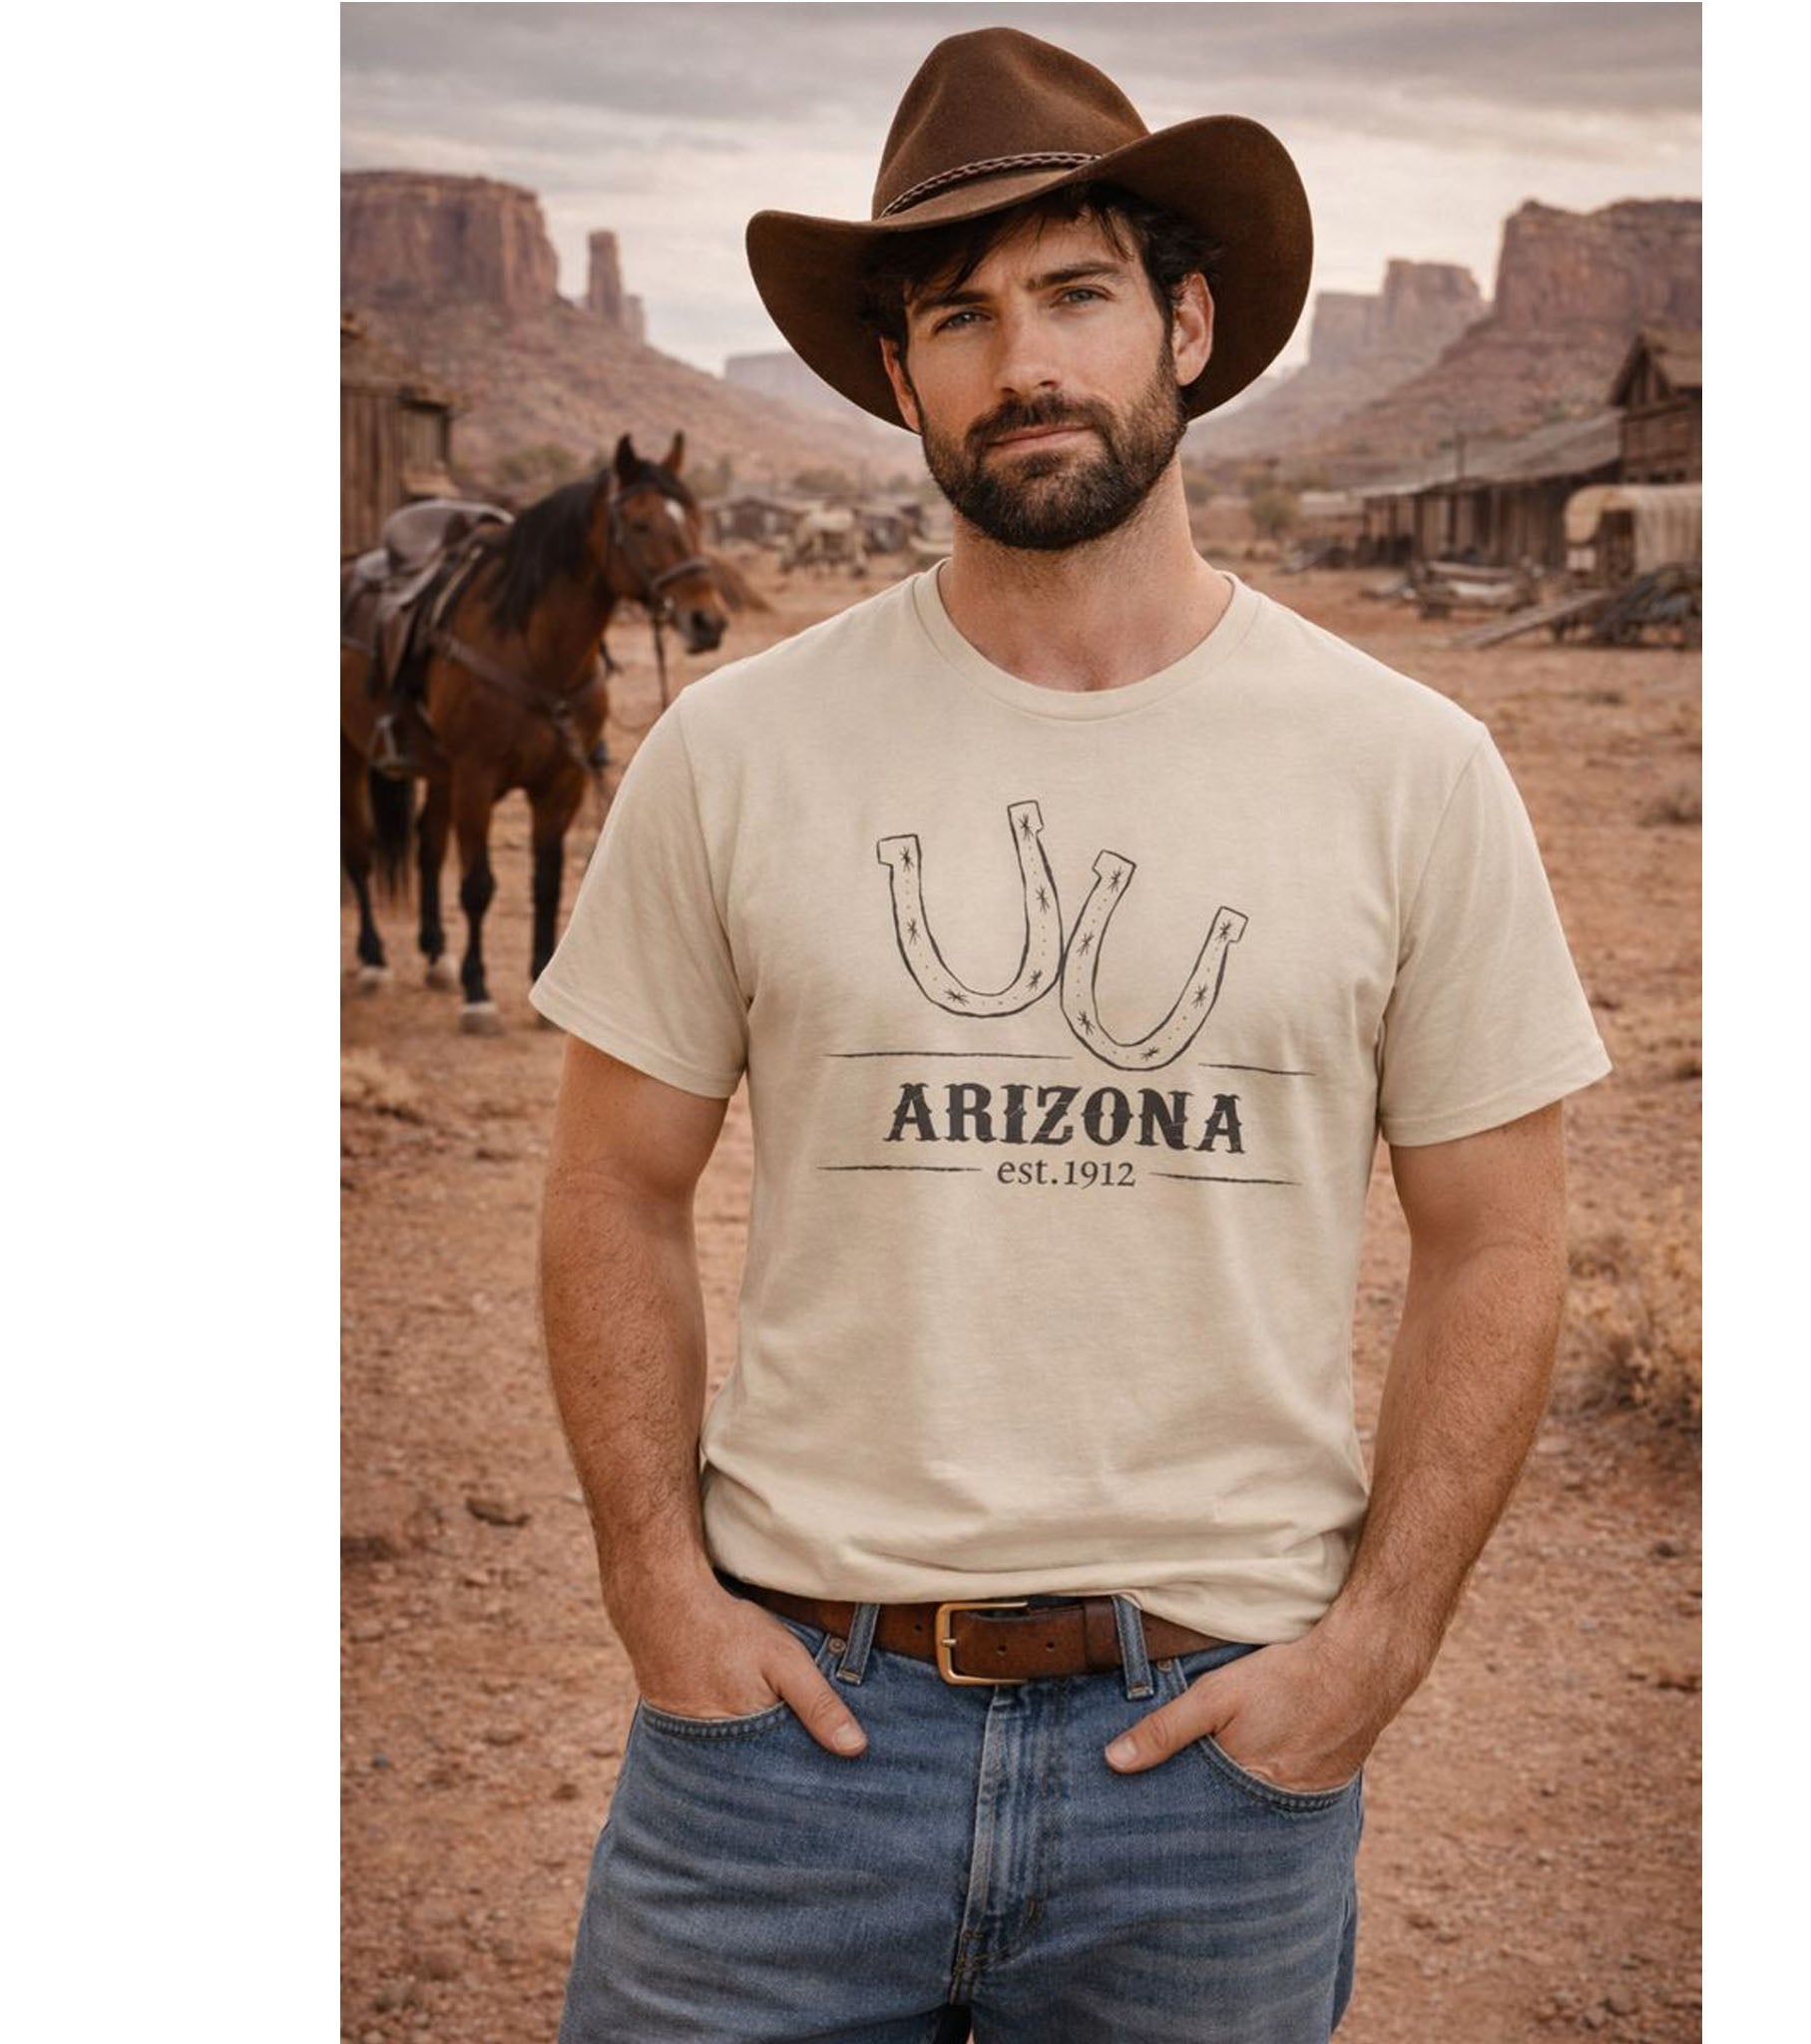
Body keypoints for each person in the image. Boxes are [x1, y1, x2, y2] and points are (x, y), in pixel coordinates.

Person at [532, 26, 1611, 2043]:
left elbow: (1499, 1239)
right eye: (960, 315)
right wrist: (655, 1589)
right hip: (783, 1752)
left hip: (1208, 1778)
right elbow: (613, 1183)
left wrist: (1373, 1654)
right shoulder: (737, 752)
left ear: (1185, 326)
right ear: (900, 375)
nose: (1024, 359)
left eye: (1078, 293)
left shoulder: (1409, 770)